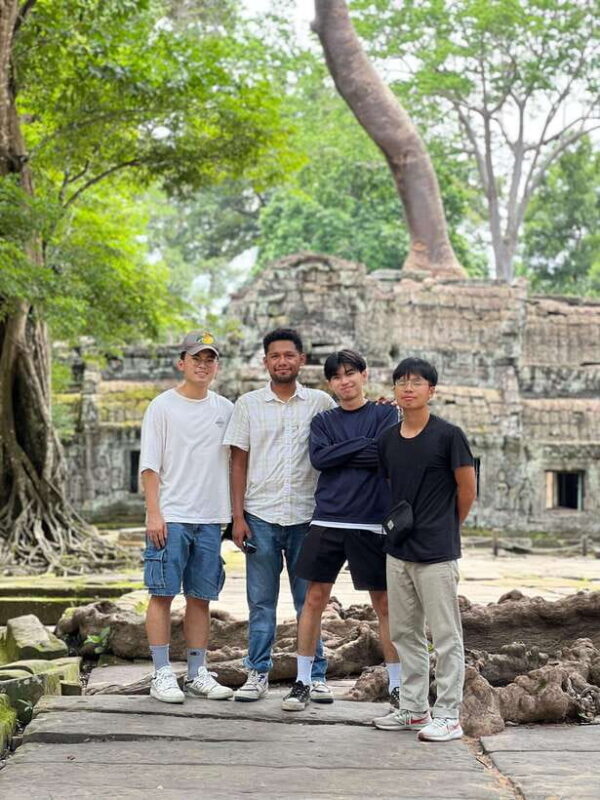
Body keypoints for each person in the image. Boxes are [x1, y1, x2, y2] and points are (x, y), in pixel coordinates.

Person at [282, 349, 401, 711]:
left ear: (364, 375)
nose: (344, 381)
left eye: (350, 373)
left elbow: (382, 455)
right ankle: (303, 680)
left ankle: (397, 685)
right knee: (312, 601)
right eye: (336, 376)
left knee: (384, 604)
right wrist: (360, 447)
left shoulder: (385, 413)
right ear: (330, 384)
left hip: (371, 522)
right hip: (328, 519)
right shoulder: (323, 422)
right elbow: (320, 460)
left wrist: (342, 452)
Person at [223, 328, 336, 703]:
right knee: (261, 601)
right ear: (265, 361)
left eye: (289, 355)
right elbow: (238, 463)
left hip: (308, 517)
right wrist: (237, 518)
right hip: (261, 517)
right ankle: (257, 672)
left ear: (302, 360)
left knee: (310, 601)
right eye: (275, 356)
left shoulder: (321, 403)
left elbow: (347, 435)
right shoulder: (249, 404)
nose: (282, 361)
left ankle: (314, 674)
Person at [373, 357, 476, 741]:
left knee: (447, 637)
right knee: (404, 634)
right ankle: (414, 709)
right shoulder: (388, 439)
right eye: (401, 382)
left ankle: (448, 714)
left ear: (432, 390)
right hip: (398, 551)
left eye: (416, 382)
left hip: (437, 553)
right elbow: (391, 486)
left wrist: (446, 528)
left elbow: (467, 490)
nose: (408, 388)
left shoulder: (449, 436)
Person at [141, 331, 234, 704]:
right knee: (162, 592)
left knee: (201, 597)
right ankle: (161, 672)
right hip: (172, 515)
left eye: (209, 359)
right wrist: (153, 513)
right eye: (196, 358)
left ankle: (197, 673)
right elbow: (149, 465)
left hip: (211, 517)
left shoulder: (226, 409)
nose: (203, 364)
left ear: (217, 366)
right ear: (181, 363)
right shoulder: (162, 407)